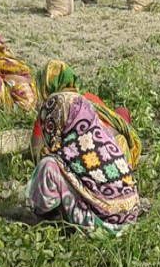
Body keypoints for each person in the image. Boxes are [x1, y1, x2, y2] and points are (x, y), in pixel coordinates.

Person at [26, 92, 140, 233]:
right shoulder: (106, 138)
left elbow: (36, 148)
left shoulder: (69, 150)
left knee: (48, 166)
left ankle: (48, 221)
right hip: (130, 218)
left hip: (102, 225)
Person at [31, 60, 141, 170]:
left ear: (45, 86)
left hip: (88, 164)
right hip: (120, 155)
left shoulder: (49, 111)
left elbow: (35, 149)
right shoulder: (89, 98)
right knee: (122, 112)